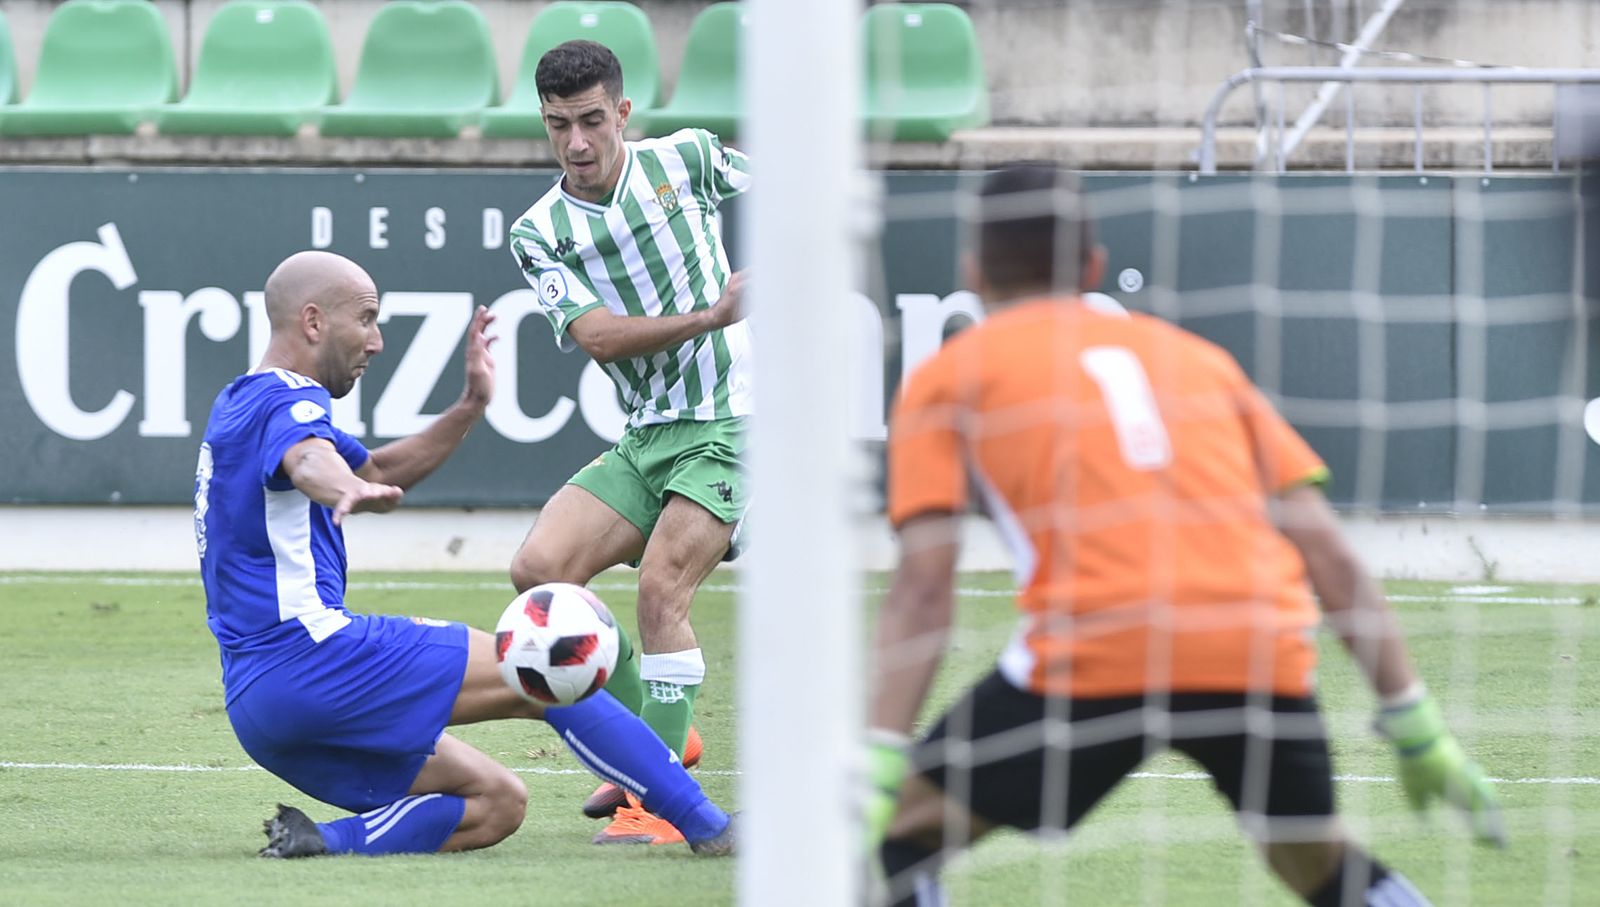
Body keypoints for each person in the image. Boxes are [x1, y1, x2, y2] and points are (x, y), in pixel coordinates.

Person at [864, 166, 1504, 906]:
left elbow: (922, 584)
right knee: (1315, 863)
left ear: (973, 272)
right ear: (1095, 268)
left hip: (1099, 650)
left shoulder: (948, 377)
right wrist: (1415, 720)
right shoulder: (1203, 362)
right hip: (1255, 644)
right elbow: (1327, 554)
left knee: (906, 828)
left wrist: (881, 751)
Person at [194, 250, 734, 858]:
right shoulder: (291, 400)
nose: (375, 342)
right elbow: (311, 460)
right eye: (367, 319)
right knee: (544, 670)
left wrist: (469, 406)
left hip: (259, 707)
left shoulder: (241, 402)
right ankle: (709, 826)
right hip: (313, 660)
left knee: (496, 802)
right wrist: (340, 486)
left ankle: (318, 840)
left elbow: (377, 468)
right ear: (313, 322)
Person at [506, 39, 750, 846]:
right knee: (538, 571)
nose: (575, 143)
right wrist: (712, 314)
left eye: (589, 121)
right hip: (649, 434)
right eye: (556, 126)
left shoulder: (689, 160)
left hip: (731, 413)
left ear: (622, 113)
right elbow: (602, 339)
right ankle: (660, 729)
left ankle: (660, 797)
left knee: (659, 590)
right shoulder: (539, 230)